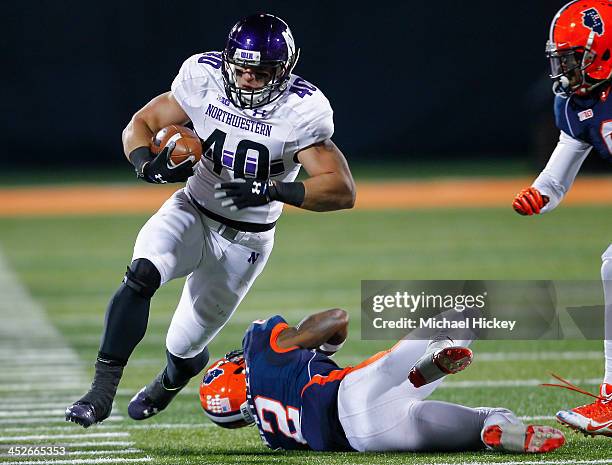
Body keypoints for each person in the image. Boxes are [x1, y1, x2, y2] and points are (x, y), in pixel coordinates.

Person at [65, 13, 356, 428]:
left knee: (185, 347)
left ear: (284, 71)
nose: (249, 78)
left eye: (262, 71)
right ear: (228, 61)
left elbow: (341, 189)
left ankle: (168, 382)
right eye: (242, 68)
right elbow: (142, 123)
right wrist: (147, 165)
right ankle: (101, 391)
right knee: (142, 274)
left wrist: (272, 189)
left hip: (245, 241)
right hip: (192, 209)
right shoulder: (205, 78)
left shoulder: (300, 109)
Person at [199, 309, 565, 453]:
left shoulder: (272, 436)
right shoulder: (259, 349)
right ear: (233, 370)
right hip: (355, 392)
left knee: (485, 421)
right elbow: (336, 319)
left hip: (368, 439)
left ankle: (502, 433)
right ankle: (430, 362)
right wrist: (322, 345)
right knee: (464, 316)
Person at [512, 0, 612, 436]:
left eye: (575, 58)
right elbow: (556, 179)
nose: (566, 70)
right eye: (562, 59)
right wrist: (539, 195)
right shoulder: (576, 106)